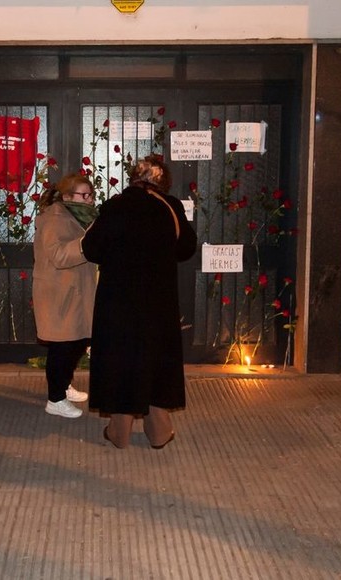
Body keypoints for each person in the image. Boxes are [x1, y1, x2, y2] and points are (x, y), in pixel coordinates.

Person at [81, 155, 197, 448]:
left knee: (120, 359)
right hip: (159, 301)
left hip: (117, 301)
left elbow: (91, 248)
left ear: (134, 178)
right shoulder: (170, 207)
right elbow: (186, 248)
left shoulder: (115, 205)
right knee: (157, 359)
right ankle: (159, 431)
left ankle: (119, 432)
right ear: (163, 182)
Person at [32, 173, 98, 418]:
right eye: (84, 195)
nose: (89, 200)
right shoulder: (54, 218)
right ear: (67, 196)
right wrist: (87, 242)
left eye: (91, 195)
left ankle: (64, 385)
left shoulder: (79, 216)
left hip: (75, 291)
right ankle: (55, 399)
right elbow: (59, 256)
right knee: (62, 346)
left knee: (77, 341)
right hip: (58, 293)